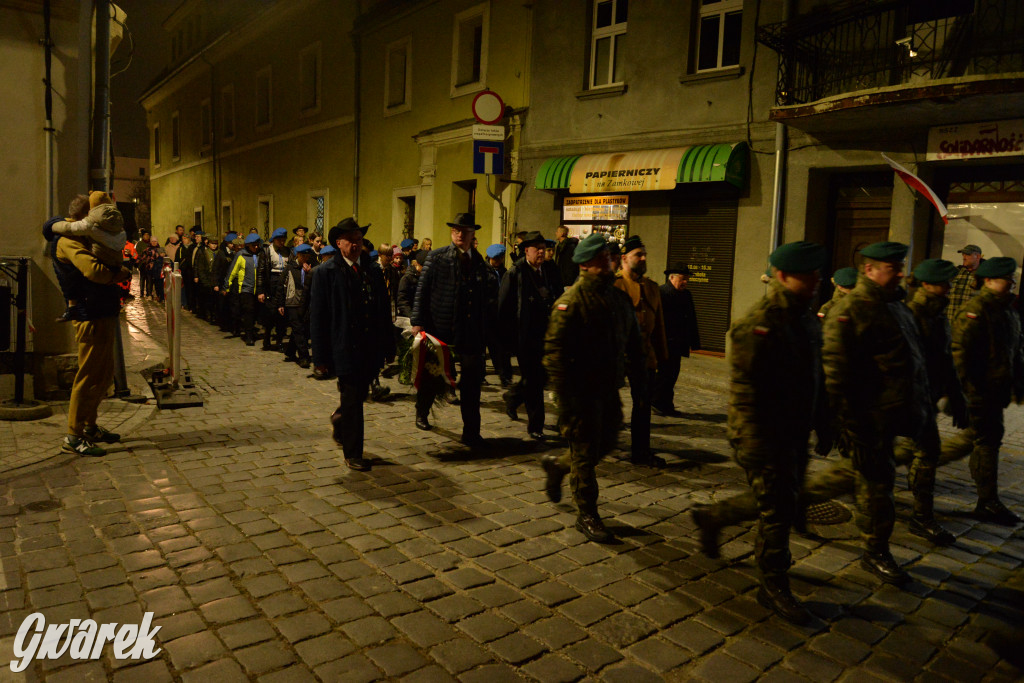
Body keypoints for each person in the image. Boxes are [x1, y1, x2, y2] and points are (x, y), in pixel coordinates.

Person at [691, 241, 825, 624]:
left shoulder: (806, 317)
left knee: (784, 501)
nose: (815, 280)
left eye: (816, 273)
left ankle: (715, 516)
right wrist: (754, 444)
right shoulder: (760, 325)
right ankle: (773, 586)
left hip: (796, 431)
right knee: (779, 510)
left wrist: (825, 421)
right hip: (766, 436)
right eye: (806, 274)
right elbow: (745, 395)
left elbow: (815, 375)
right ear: (782, 276)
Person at [820, 241, 930, 585]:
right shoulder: (853, 309)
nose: (900, 273)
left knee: (872, 480)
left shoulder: (896, 306)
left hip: (894, 414)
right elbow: (835, 373)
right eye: (892, 267)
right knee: (876, 484)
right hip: (866, 418)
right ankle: (875, 551)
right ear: (869, 270)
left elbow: (911, 360)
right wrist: (842, 423)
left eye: (901, 266)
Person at [542, 233, 645, 543]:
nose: (610, 262)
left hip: (608, 388)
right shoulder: (571, 301)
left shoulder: (618, 298)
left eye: (611, 257)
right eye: (604, 258)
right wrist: (564, 399)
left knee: (607, 442)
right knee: (586, 452)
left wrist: (640, 379)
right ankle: (587, 513)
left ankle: (560, 465)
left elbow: (634, 342)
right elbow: (555, 353)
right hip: (579, 392)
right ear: (586, 264)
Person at [44, 199, 132, 456]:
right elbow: (93, 271)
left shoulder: (82, 236)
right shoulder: (68, 240)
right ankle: (73, 434)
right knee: (88, 376)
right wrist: (120, 274)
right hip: (89, 314)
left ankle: (90, 426)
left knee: (103, 375)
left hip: (101, 311)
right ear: (85, 218)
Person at [940, 256, 1023, 526]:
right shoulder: (976, 310)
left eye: (1012, 279)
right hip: (978, 391)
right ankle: (987, 500)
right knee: (983, 440)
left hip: (995, 390)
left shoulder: (1006, 309)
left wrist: (1017, 382)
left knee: (984, 440)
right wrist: (960, 395)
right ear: (988, 280)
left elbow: (1014, 350)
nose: (1011, 283)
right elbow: (960, 355)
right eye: (1006, 279)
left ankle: (986, 500)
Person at [310, 218, 395, 471]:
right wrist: (320, 359)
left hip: (369, 346)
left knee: (359, 394)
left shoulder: (372, 269)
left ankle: (340, 418)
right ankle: (353, 453)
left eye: (359, 240)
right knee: (353, 399)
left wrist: (388, 347)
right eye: (351, 241)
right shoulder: (325, 273)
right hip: (343, 346)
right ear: (339, 244)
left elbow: (383, 309)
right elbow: (319, 317)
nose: (356, 245)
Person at [889, 258, 963, 544]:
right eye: (945, 283)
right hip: (909, 399)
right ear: (929, 285)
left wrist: (955, 394)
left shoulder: (937, 314)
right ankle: (919, 517)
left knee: (919, 452)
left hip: (926, 398)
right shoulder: (912, 315)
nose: (949, 288)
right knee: (923, 451)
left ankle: (920, 515)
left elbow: (945, 357)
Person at [410, 212, 493, 447]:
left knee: (472, 381)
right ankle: (422, 411)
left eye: (465, 231)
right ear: (451, 232)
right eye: (456, 230)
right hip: (440, 326)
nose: (460, 235)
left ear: (472, 235)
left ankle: (471, 430)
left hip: (470, 332)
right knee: (432, 375)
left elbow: (485, 299)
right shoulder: (437, 258)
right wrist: (418, 321)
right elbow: (422, 291)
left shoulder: (479, 263)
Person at [499, 231, 564, 439]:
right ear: (526, 251)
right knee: (535, 381)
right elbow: (504, 308)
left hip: (547, 333)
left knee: (539, 377)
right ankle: (536, 426)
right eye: (538, 249)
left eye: (544, 249)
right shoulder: (516, 272)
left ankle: (513, 397)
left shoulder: (550, 270)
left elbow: (560, 294)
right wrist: (507, 340)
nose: (542, 253)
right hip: (525, 335)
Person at [613, 235, 668, 466]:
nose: (643, 258)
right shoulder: (614, 285)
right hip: (616, 355)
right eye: (639, 254)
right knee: (605, 405)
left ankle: (641, 451)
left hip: (643, 356)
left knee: (643, 405)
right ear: (624, 258)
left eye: (644, 254)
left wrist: (662, 355)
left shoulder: (652, 288)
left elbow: (659, 325)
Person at [653, 262, 701, 416]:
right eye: (683, 279)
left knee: (673, 373)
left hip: (678, 342)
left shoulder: (686, 294)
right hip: (665, 341)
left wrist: (694, 342)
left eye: (687, 279)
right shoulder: (661, 293)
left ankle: (665, 403)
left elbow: (691, 318)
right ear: (672, 278)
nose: (685, 282)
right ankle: (659, 402)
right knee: (664, 373)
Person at [276, 243, 315, 368]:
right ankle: (304, 357)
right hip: (292, 302)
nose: (306, 258)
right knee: (298, 329)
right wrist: (280, 304)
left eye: (307, 256)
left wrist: (309, 273)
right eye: (304, 256)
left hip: (305, 303)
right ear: (298, 255)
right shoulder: (290, 268)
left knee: (302, 328)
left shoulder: (311, 266)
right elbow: (281, 286)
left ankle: (290, 351)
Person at [257, 227, 292, 350]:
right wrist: (260, 291)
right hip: (271, 283)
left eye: (284, 240)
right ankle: (267, 338)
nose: (282, 243)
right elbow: (261, 272)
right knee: (271, 314)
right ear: (274, 240)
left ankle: (279, 340)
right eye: (280, 240)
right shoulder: (266, 251)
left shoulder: (288, 251)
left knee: (282, 314)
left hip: (284, 282)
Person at [228, 233, 262, 345]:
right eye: (253, 245)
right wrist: (226, 285)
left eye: (257, 244)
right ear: (248, 245)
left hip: (258, 289)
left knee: (256, 312)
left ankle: (251, 331)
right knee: (248, 312)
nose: (256, 247)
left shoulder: (260, 254)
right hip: (246, 288)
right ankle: (248, 335)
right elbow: (233, 271)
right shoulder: (241, 255)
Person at [948, 244, 984, 322]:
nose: (964, 257)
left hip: (968, 324)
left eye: (968, 254)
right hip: (950, 321)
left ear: (978, 257)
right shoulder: (956, 272)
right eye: (963, 254)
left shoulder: (984, 276)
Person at [397, 250, 426, 318]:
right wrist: (412, 316)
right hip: (410, 317)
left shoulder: (423, 277)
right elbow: (402, 302)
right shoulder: (407, 278)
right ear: (418, 265)